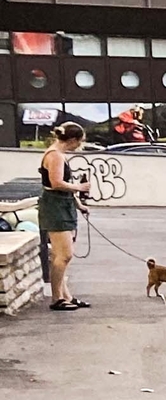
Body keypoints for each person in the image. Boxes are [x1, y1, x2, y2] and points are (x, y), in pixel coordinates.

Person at [37, 118, 91, 311]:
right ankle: (56, 298)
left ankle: (66, 295)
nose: (80, 146)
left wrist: (77, 203)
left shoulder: (59, 154)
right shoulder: (56, 156)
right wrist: (80, 187)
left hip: (62, 204)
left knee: (60, 255)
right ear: (73, 140)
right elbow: (56, 183)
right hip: (55, 206)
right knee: (64, 255)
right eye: (80, 142)